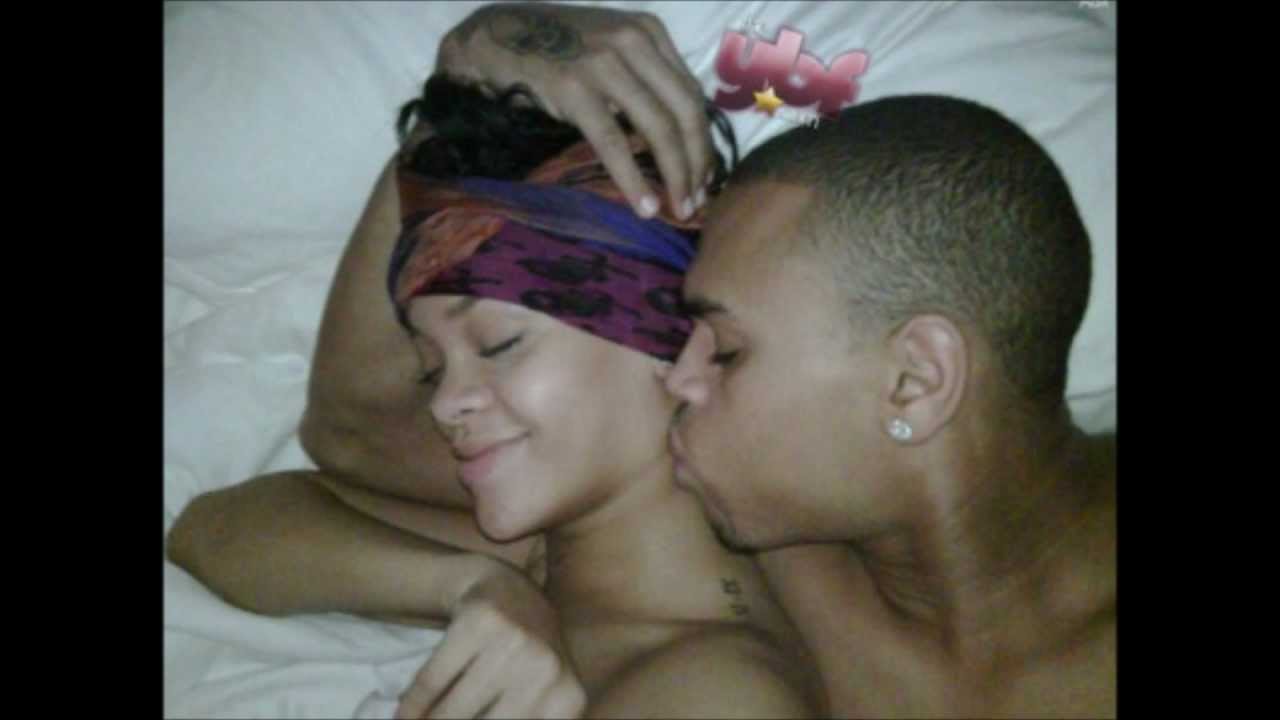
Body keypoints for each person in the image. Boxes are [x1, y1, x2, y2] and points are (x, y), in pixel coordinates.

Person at [431, 4, 1117, 717]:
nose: (679, 376)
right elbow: (365, 444)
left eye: (727, 351)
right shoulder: (752, 528)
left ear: (915, 381)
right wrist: (485, 47)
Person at [170, 71, 818, 719]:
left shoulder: (711, 691)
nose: (444, 403)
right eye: (431, 369)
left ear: (670, 338)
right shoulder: (549, 560)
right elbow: (215, 528)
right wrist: (468, 583)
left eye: (499, 343)